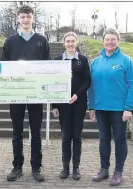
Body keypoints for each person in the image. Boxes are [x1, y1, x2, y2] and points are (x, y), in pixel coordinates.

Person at [1, 5, 50, 182]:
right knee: (16, 132)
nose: (25, 19)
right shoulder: (10, 41)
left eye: (28, 16)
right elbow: (3, 67)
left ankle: (36, 167)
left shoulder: (42, 40)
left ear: (33, 18)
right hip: (16, 93)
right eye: (22, 17)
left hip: (36, 95)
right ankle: (17, 167)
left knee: (36, 132)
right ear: (18, 19)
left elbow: (48, 67)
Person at [88, 28, 133, 186]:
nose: (109, 42)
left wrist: (128, 108)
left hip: (119, 110)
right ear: (103, 41)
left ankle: (118, 172)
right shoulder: (96, 62)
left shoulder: (126, 61)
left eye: (113, 39)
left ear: (118, 41)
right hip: (101, 109)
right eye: (107, 39)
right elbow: (91, 86)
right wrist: (92, 107)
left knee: (120, 140)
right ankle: (104, 169)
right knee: (103, 139)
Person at [51, 32, 91, 180]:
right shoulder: (57, 60)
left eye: (72, 41)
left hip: (78, 103)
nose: (70, 44)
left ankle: (76, 168)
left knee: (77, 136)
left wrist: (77, 95)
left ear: (76, 42)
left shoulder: (83, 59)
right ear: (64, 43)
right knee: (66, 136)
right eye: (67, 41)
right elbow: (53, 83)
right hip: (63, 105)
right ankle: (65, 168)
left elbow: (87, 82)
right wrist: (54, 106)